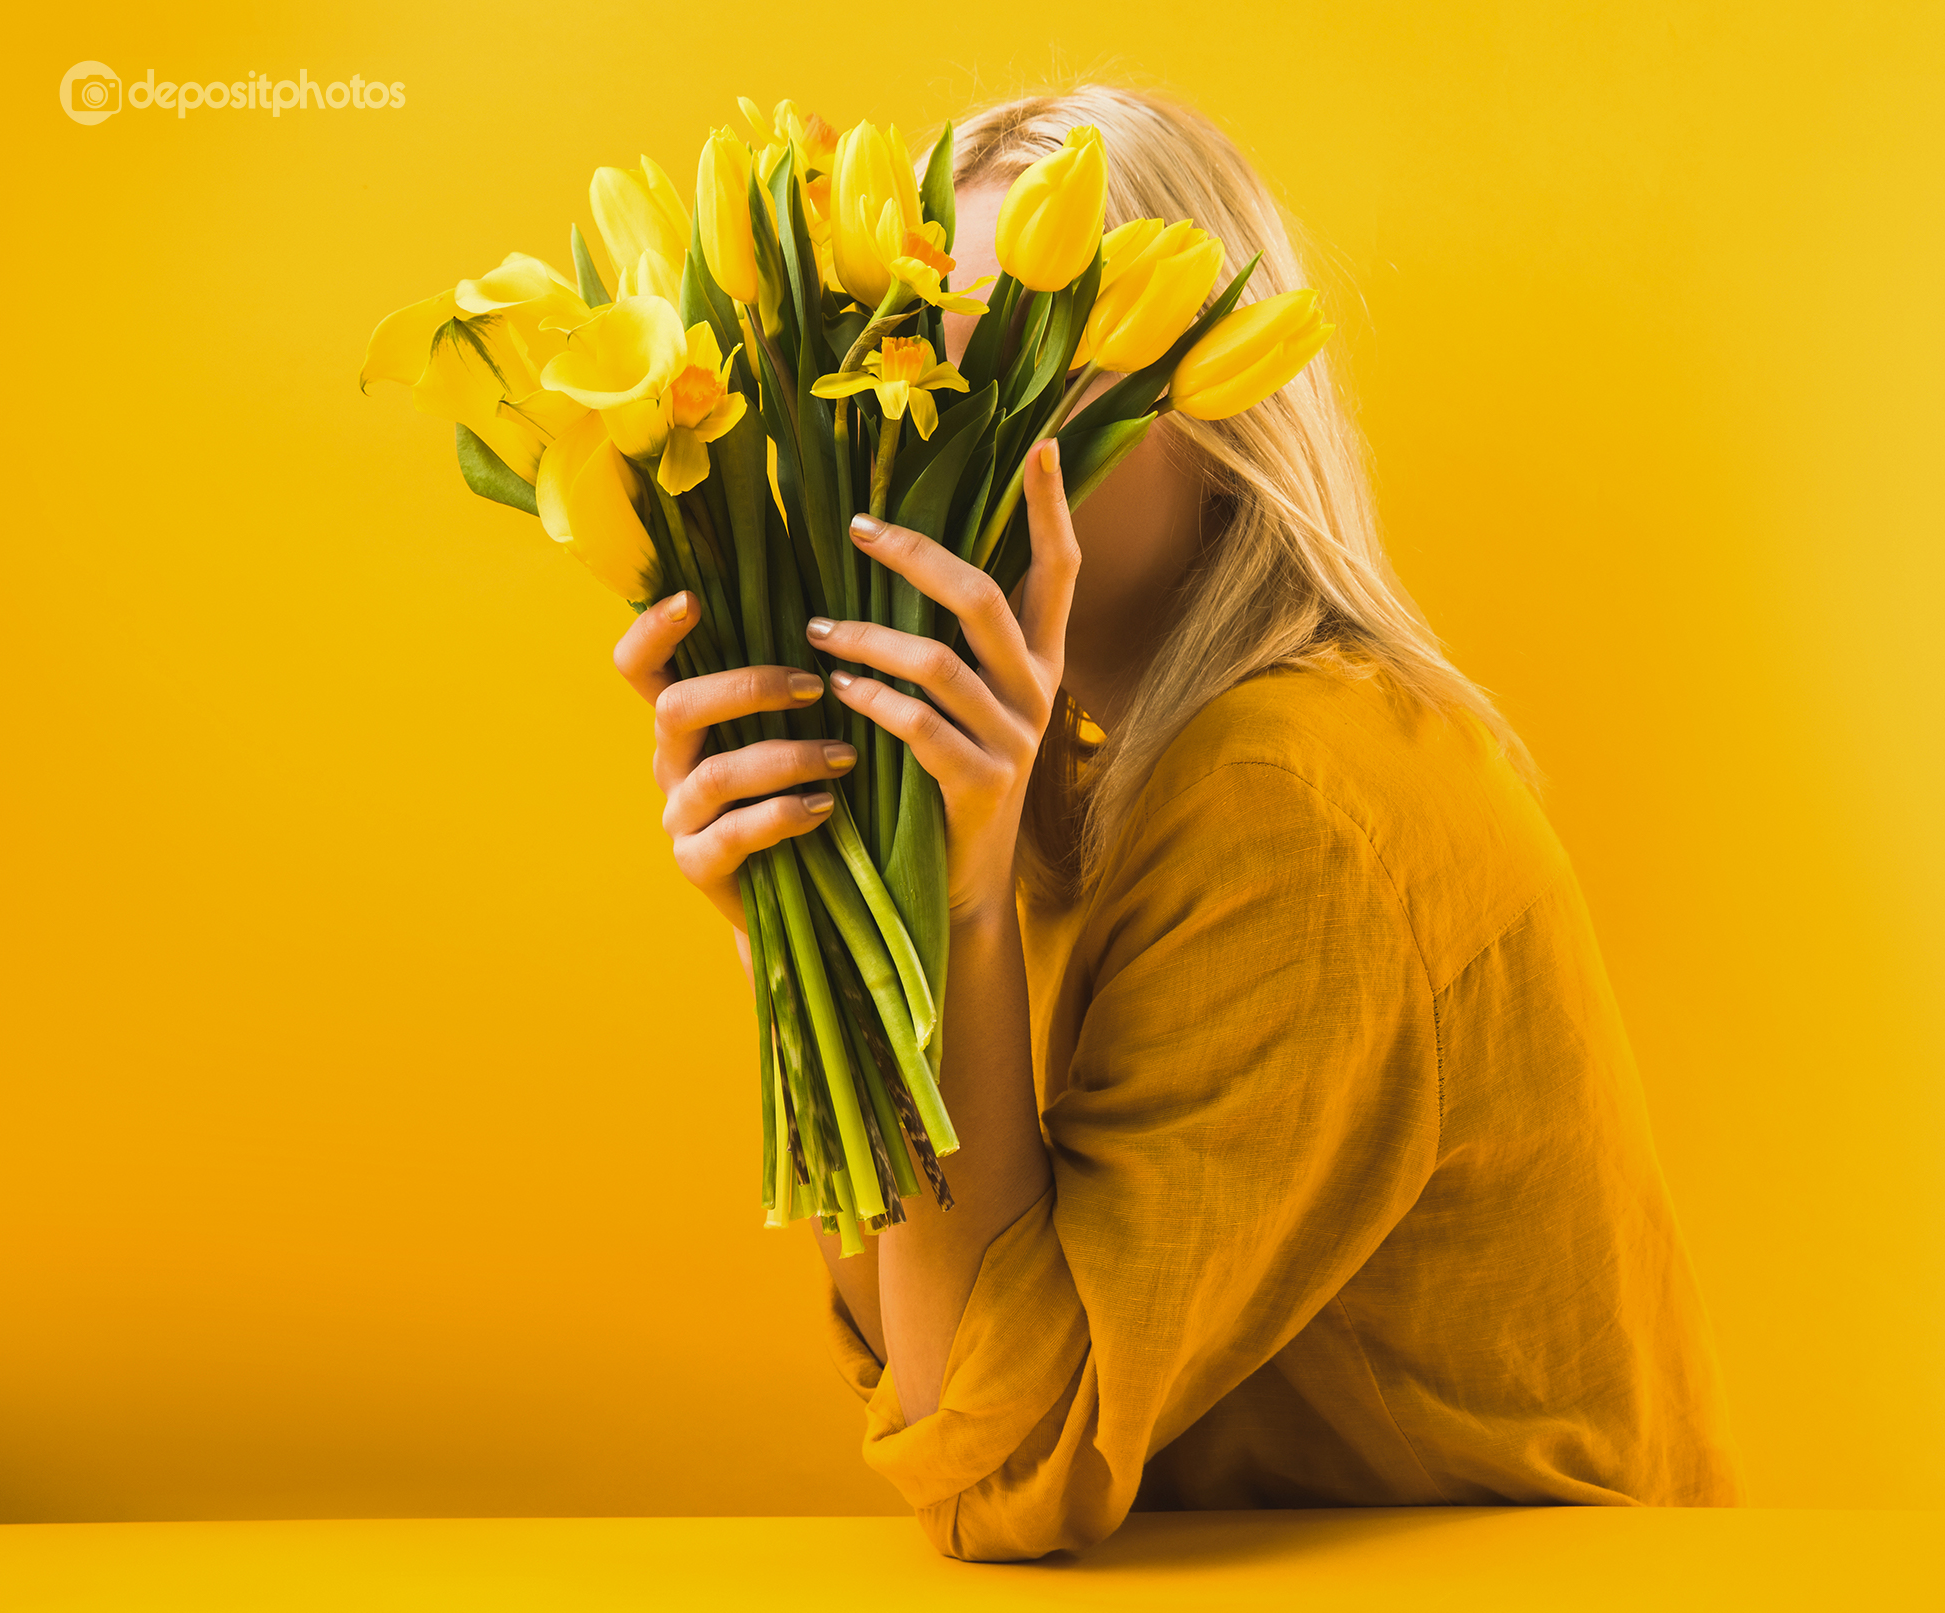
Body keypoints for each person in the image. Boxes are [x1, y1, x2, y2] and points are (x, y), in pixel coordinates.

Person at [612, 84, 1738, 1562]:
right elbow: (935, 1348)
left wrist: (944, 929)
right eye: (917, 389)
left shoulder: (1287, 792)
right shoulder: (1107, 778)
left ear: (1223, 413)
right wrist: (818, 917)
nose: (952, 465)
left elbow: (995, 1461)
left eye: (1038, 382)